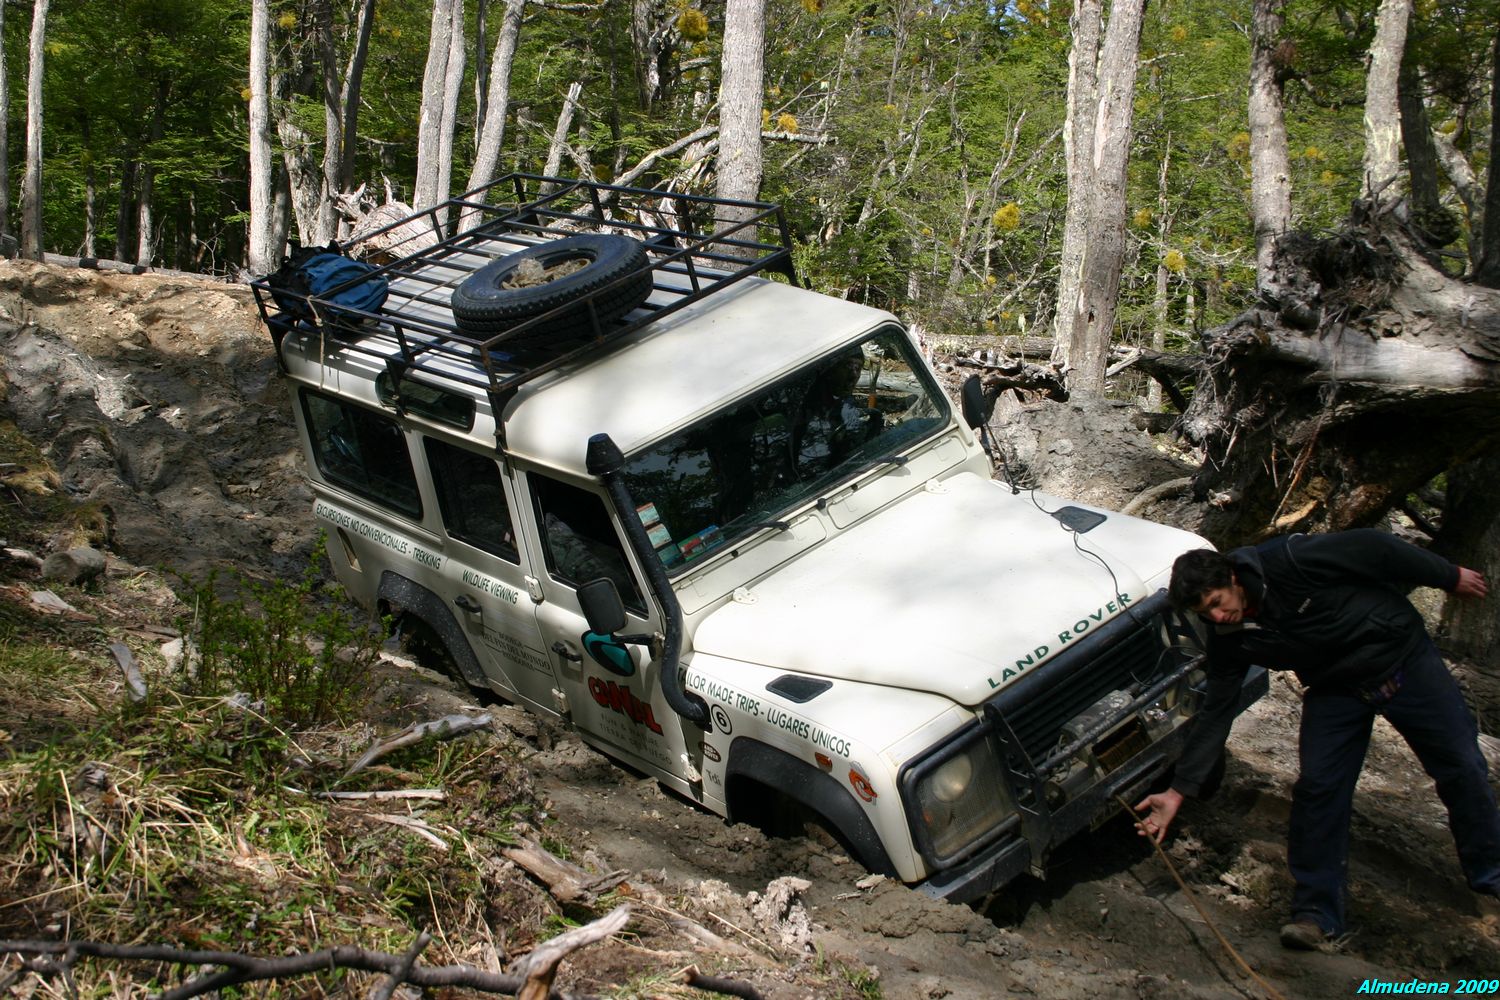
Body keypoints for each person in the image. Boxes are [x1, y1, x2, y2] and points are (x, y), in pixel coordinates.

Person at [1134, 529, 1497, 950]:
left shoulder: (1292, 559)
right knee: (1319, 789)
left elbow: (1375, 549)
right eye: (1204, 613)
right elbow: (1217, 708)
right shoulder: (1228, 636)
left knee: (1461, 765)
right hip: (1335, 687)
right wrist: (1179, 790)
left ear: (1232, 578)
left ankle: (1490, 872)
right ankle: (1316, 914)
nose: (1217, 617)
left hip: (1399, 656)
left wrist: (1447, 576)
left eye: (1217, 602)